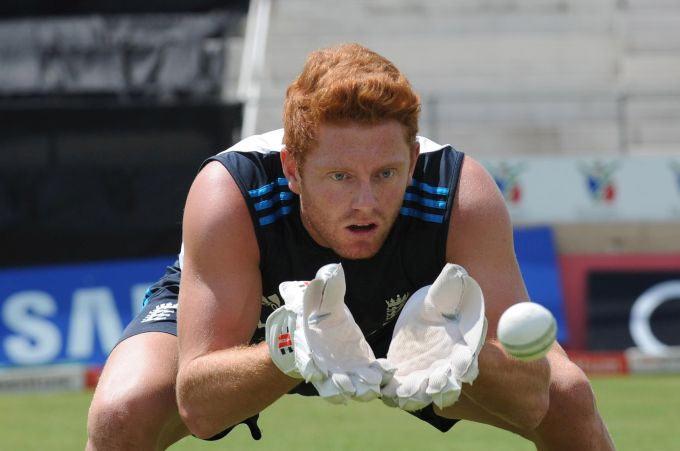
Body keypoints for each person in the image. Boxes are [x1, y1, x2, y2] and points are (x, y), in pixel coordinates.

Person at [86, 43, 615, 450]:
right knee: (121, 411)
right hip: (262, 324)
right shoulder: (230, 191)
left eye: (386, 173)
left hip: (415, 326)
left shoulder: (462, 193)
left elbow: (531, 400)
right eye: (339, 176)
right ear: (293, 169)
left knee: (569, 396)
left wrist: (471, 353)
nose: (366, 201)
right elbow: (198, 404)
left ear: (411, 161)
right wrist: (290, 350)